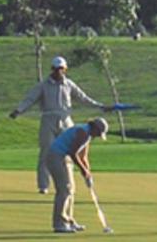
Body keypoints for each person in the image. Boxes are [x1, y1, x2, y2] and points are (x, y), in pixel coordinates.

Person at [10, 55, 107, 194]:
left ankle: (67, 183)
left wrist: (100, 106)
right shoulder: (43, 85)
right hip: (48, 118)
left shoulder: (69, 84)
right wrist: (19, 110)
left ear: (65, 69)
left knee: (70, 151)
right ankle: (43, 185)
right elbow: (30, 99)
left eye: (61, 69)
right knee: (46, 152)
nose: (58, 71)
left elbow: (83, 98)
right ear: (52, 69)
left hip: (66, 118)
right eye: (55, 69)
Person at [45, 117, 108, 233]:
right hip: (56, 157)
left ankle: (69, 221)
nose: (98, 136)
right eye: (99, 133)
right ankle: (59, 223)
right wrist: (83, 170)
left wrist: (88, 174)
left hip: (64, 157)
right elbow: (73, 153)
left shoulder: (88, 135)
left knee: (71, 190)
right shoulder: (82, 133)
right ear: (94, 127)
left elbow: (83, 157)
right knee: (64, 189)